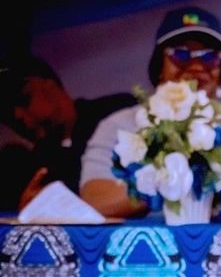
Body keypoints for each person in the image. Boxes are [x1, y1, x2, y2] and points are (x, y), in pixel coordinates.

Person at [80, 6, 221, 220]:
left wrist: (206, 176)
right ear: (159, 69)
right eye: (181, 54)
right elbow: (95, 200)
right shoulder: (121, 124)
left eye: (210, 57)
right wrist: (165, 180)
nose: (197, 66)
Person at [0, 53, 136, 200]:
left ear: (50, 87)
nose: (17, 115)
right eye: (6, 113)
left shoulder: (116, 113)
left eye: (23, 99)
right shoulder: (37, 163)